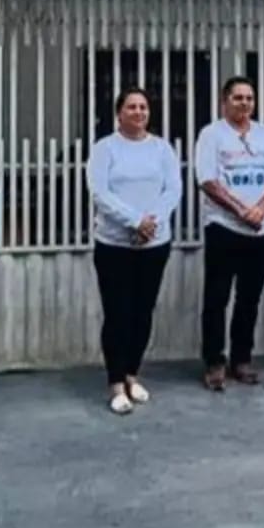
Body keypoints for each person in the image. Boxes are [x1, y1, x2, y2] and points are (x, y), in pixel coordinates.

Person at [86, 87, 183, 414]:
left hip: (154, 244)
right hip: (115, 244)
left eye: (143, 106)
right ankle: (115, 383)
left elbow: (173, 189)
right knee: (118, 313)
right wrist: (134, 221)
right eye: (131, 107)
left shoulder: (162, 149)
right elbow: (100, 192)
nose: (139, 112)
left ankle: (132, 374)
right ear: (119, 113)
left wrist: (151, 223)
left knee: (143, 311)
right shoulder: (106, 149)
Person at [193, 76, 264, 391]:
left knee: (250, 297)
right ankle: (214, 362)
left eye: (249, 98)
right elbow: (207, 180)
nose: (244, 103)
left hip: (261, 228)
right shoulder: (212, 135)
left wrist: (261, 208)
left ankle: (241, 359)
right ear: (225, 101)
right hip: (224, 226)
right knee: (217, 297)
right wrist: (240, 210)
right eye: (238, 98)